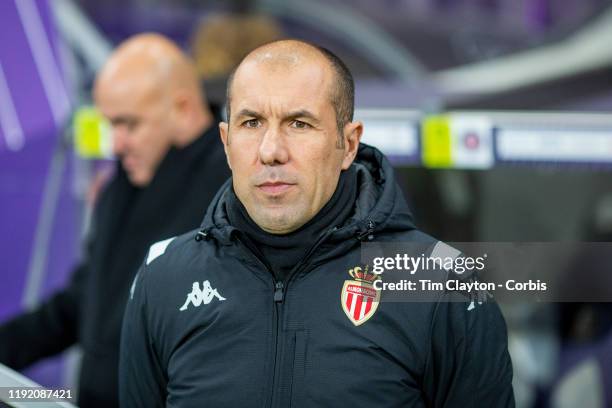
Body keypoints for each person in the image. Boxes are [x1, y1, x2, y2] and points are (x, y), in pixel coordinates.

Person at [120, 39, 514, 407]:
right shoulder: (164, 279)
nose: (271, 151)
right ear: (226, 142)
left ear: (349, 144)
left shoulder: (444, 285)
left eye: (299, 124)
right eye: (252, 123)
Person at [0, 33, 231, 407]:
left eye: (129, 125)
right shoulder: (123, 185)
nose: (115, 143)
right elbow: (82, 302)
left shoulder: (232, 192)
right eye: (110, 125)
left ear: (184, 108)